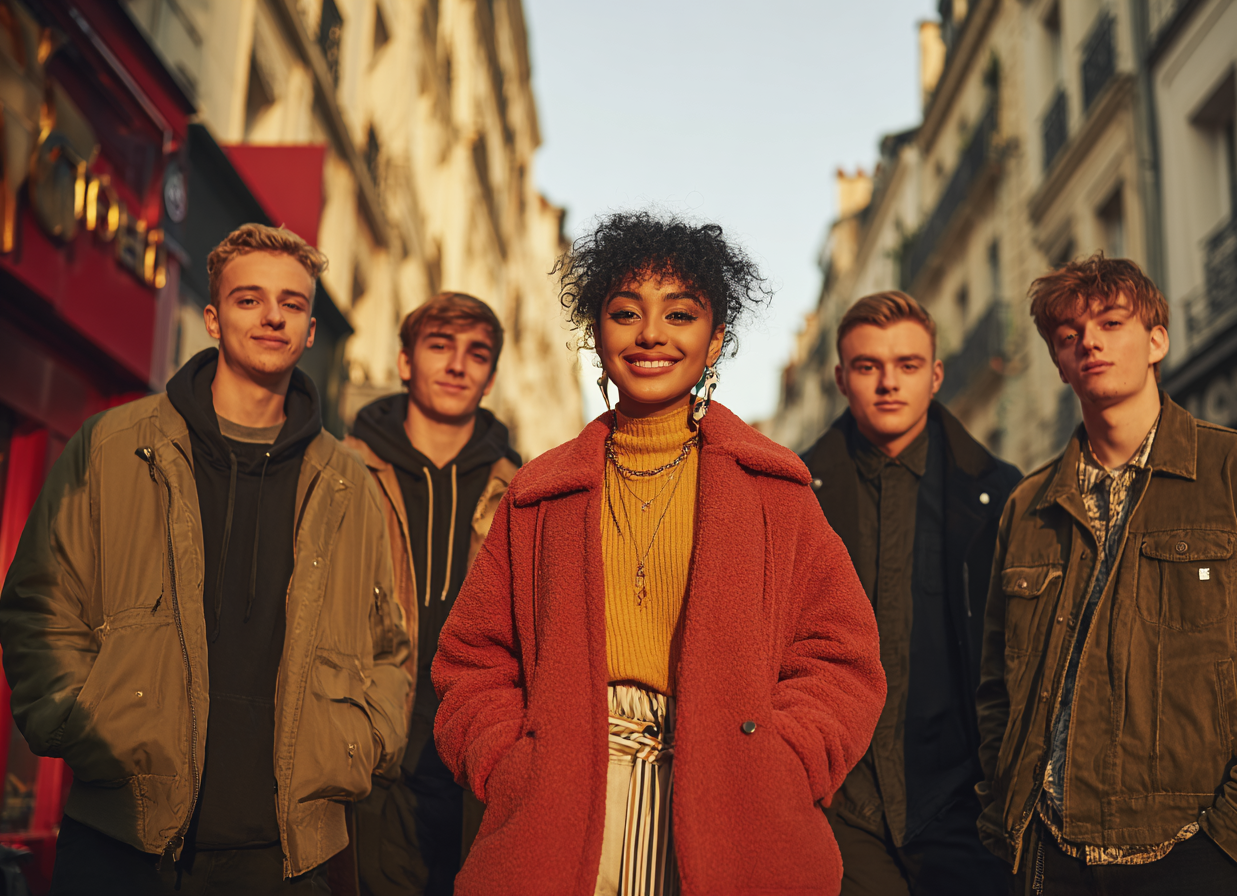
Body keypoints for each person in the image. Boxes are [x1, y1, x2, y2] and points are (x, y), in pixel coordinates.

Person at [431, 210, 886, 895]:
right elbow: (471, 662)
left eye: (680, 314)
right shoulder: (539, 494)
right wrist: (511, 763)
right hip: (562, 813)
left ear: (715, 341)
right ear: (597, 333)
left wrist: (782, 764)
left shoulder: (775, 490)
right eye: (625, 312)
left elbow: (841, 659)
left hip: (734, 809)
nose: (650, 334)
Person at [0, 224, 411, 895]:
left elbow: (391, 648)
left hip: (287, 856)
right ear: (213, 319)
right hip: (123, 834)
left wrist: (357, 745)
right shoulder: (114, 446)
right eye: (249, 300)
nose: (273, 316)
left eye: (293, 304)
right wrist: (83, 723)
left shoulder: (351, 484)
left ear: (311, 331)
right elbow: (38, 606)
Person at [976, 253, 1237, 895]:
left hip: (1196, 853)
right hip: (1046, 856)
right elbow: (995, 692)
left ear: (1157, 340)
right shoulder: (1027, 509)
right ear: (1060, 363)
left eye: (1111, 322)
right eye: (1069, 336)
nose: (1089, 341)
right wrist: (1005, 812)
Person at [803, 292, 1019, 895]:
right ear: (841, 379)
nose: (889, 384)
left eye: (908, 365)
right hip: (839, 807)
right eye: (869, 367)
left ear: (936, 375)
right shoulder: (794, 497)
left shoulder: (1002, 495)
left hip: (966, 805)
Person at [345, 293, 521, 894]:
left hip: (471, 767)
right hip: (363, 758)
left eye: (476, 354)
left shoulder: (520, 492)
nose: (456, 366)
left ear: (491, 377)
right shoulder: (343, 472)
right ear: (403, 361)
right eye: (439, 346)